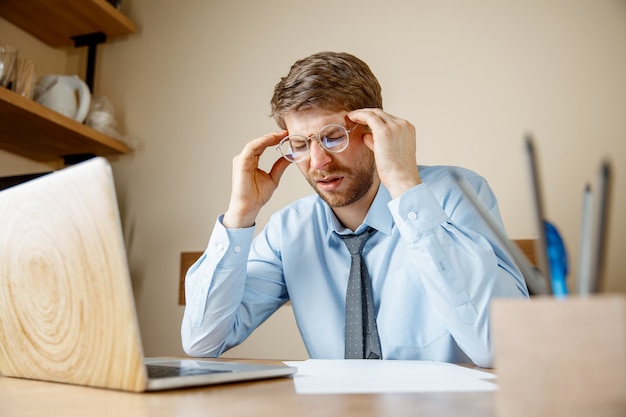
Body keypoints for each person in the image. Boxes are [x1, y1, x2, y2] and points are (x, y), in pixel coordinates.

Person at [181, 51, 529, 367]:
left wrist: (405, 186)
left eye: (332, 136)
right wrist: (240, 214)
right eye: (300, 144)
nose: (317, 162)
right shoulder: (289, 230)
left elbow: (497, 347)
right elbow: (202, 341)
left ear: (374, 128)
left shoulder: (456, 194)